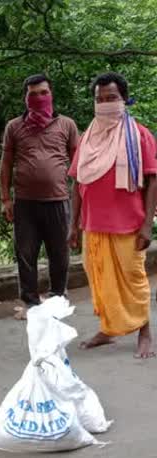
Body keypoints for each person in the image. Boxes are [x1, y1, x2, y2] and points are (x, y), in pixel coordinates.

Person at [69, 72, 157, 359]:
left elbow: (152, 180)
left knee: (133, 279)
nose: (105, 103)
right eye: (99, 99)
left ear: (124, 99)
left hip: (129, 223)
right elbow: (78, 182)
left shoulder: (139, 135)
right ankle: (108, 329)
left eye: (111, 98)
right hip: (93, 224)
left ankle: (145, 332)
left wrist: (147, 226)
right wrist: (73, 225)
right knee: (100, 280)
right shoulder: (86, 138)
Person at [0, 74, 79, 319]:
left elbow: (79, 165)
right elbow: (6, 164)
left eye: (43, 93)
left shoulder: (67, 125)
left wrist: (80, 203)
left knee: (60, 253)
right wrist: (5, 199)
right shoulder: (14, 126)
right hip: (25, 202)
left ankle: (58, 298)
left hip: (58, 200)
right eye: (33, 94)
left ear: (51, 94)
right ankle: (31, 303)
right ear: (25, 98)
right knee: (25, 254)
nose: (38, 98)